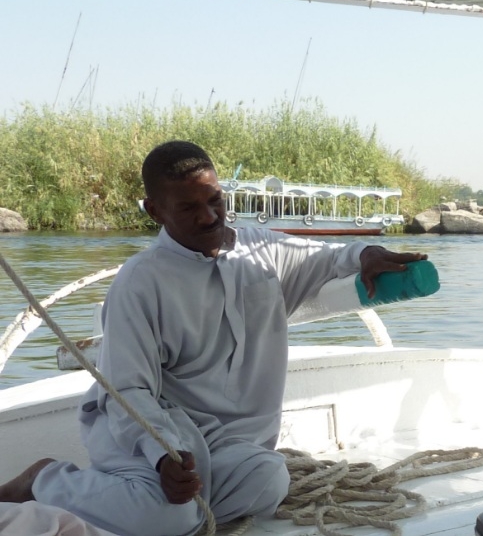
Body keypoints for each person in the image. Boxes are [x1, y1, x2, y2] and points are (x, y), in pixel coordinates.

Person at [0, 140, 426, 536]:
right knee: (167, 517)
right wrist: (162, 454)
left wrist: (366, 254)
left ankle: (173, 512)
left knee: (268, 479)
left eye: (215, 200)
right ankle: (45, 479)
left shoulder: (263, 251)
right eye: (188, 208)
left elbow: (330, 257)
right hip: (152, 432)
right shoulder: (140, 282)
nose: (208, 217)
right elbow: (127, 390)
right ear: (155, 211)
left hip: (225, 441)